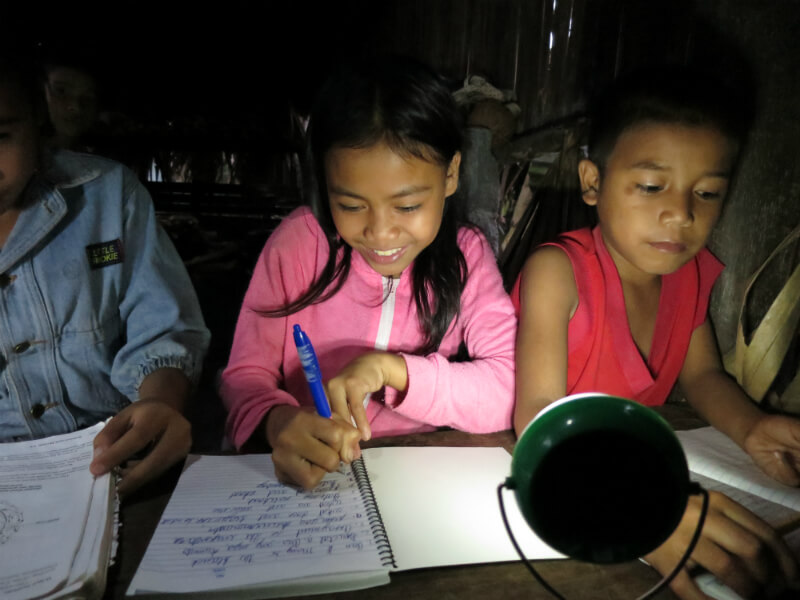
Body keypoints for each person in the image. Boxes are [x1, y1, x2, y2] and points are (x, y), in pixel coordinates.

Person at [512, 66, 799, 598]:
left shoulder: (688, 273)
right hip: (542, 474)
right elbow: (536, 410)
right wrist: (632, 511)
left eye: (709, 193)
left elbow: (704, 374)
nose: (680, 213)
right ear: (593, 182)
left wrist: (753, 428)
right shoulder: (558, 272)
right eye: (650, 186)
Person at [220, 56, 516, 490]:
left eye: (408, 206)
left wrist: (393, 371)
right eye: (351, 205)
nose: (379, 233)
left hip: (419, 482)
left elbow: (508, 389)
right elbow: (245, 378)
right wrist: (277, 420)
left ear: (451, 174)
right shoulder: (299, 245)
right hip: (309, 480)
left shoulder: (466, 257)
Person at [0, 57, 210, 497]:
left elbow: (164, 330)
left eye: (1, 135)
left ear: (38, 118)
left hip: (119, 458)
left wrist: (159, 402)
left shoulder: (109, 197)